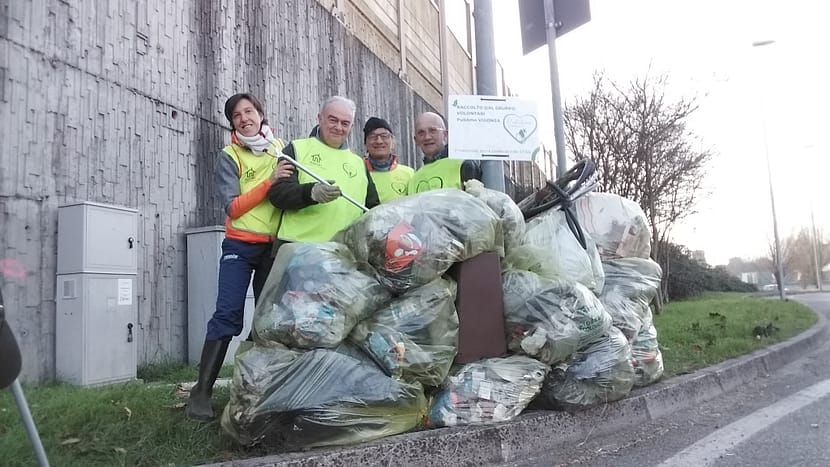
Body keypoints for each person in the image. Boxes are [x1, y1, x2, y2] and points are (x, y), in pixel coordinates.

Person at [187, 93, 293, 421]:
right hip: (239, 247)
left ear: (261, 114)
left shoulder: (281, 150)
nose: (244, 117)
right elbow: (233, 206)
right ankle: (201, 392)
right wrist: (269, 182)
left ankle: (259, 389)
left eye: (249, 111)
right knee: (227, 316)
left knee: (268, 321)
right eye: (236, 115)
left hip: (273, 248)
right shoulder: (229, 155)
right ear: (232, 123)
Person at [268, 96, 379, 251]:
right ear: (319, 118)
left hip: (344, 254)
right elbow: (278, 194)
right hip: (299, 250)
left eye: (345, 123)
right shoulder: (296, 149)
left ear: (351, 126)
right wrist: (311, 192)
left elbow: (373, 208)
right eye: (333, 120)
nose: (339, 127)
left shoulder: (359, 163)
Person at [408, 111, 481, 194]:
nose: (427, 137)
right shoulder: (414, 179)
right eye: (421, 133)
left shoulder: (464, 165)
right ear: (416, 140)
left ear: (445, 135)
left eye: (432, 130)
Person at [362, 116, 414, 203]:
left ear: (393, 142)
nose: (379, 141)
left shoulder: (409, 174)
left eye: (384, 136)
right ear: (365, 145)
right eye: (372, 136)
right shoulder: (359, 172)